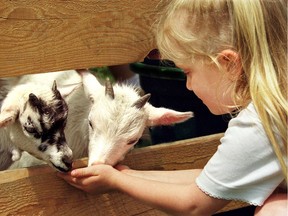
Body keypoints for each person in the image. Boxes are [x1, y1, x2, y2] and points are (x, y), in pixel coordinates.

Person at [58, 0, 287, 215]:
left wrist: (116, 181)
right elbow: (207, 181)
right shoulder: (275, 105)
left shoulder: (259, 123)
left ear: (228, 64)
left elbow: (194, 203)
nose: (187, 86)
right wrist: (127, 174)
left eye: (187, 72)